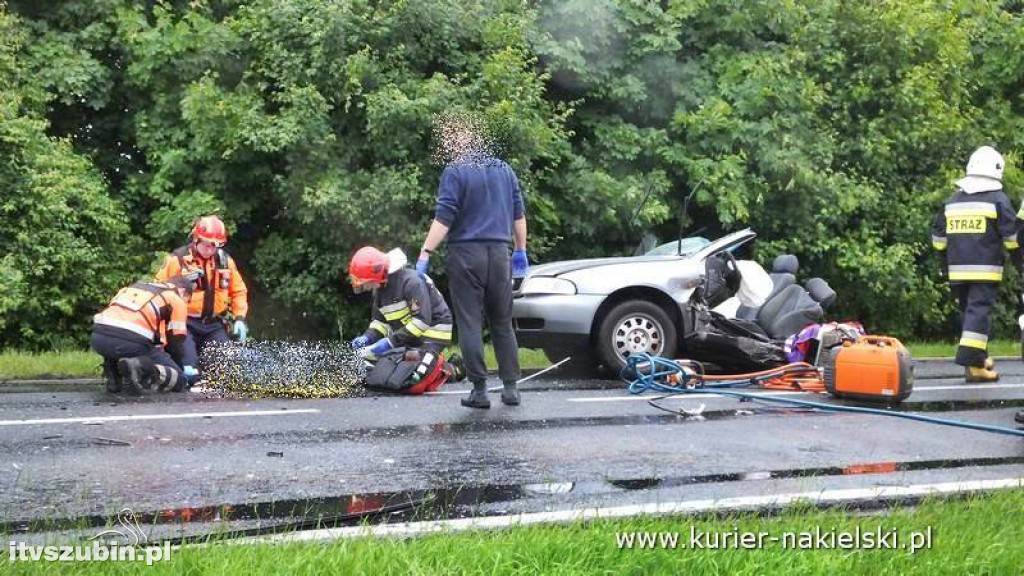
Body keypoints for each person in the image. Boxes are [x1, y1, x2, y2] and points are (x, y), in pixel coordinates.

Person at [416, 116, 529, 409]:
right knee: (502, 322)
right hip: (500, 255)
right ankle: (511, 388)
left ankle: (479, 391)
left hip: (467, 255)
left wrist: (426, 251)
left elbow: (445, 216)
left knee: (470, 322)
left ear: (463, 142)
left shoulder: (456, 171)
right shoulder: (505, 170)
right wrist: (520, 250)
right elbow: (519, 214)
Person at [932, 145, 1021, 383]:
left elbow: (938, 237)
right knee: (979, 313)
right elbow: (1012, 237)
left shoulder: (952, 201)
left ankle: (979, 357)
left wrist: (942, 262)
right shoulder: (998, 200)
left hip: (956, 269)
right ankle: (973, 363)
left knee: (968, 313)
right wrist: (1019, 261)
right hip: (985, 270)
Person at [155, 215, 249, 385]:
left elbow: (239, 291)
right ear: (196, 239)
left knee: (229, 371)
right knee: (189, 373)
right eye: (206, 244)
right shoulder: (177, 260)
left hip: (213, 325)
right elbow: (158, 291)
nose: (210, 249)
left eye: (215, 245)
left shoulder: (225, 262)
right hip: (184, 323)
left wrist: (240, 318)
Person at [348, 246, 464, 383]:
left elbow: (421, 322)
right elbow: (380, 323)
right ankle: (418, 359)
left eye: (367, 282)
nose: (366, 287)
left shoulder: (411, 283)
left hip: (433, 331)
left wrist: (389, 342)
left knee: (414, 374)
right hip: (408, 335)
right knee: (393, 367)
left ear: (377, 274)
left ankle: (454, 368)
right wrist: (367, 337)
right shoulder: (379, 291)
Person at [90, 276, 195, 393]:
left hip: (98, 338)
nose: (186, 304)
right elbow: (176, 342)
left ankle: (113, 374)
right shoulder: (175, 298)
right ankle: (140, 368)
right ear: (182, 291)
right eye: (187, 300)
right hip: (129, 342)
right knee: (180, 380)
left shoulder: (131, 288)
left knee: (116, 336)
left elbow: (114, 321)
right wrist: (178, 368)